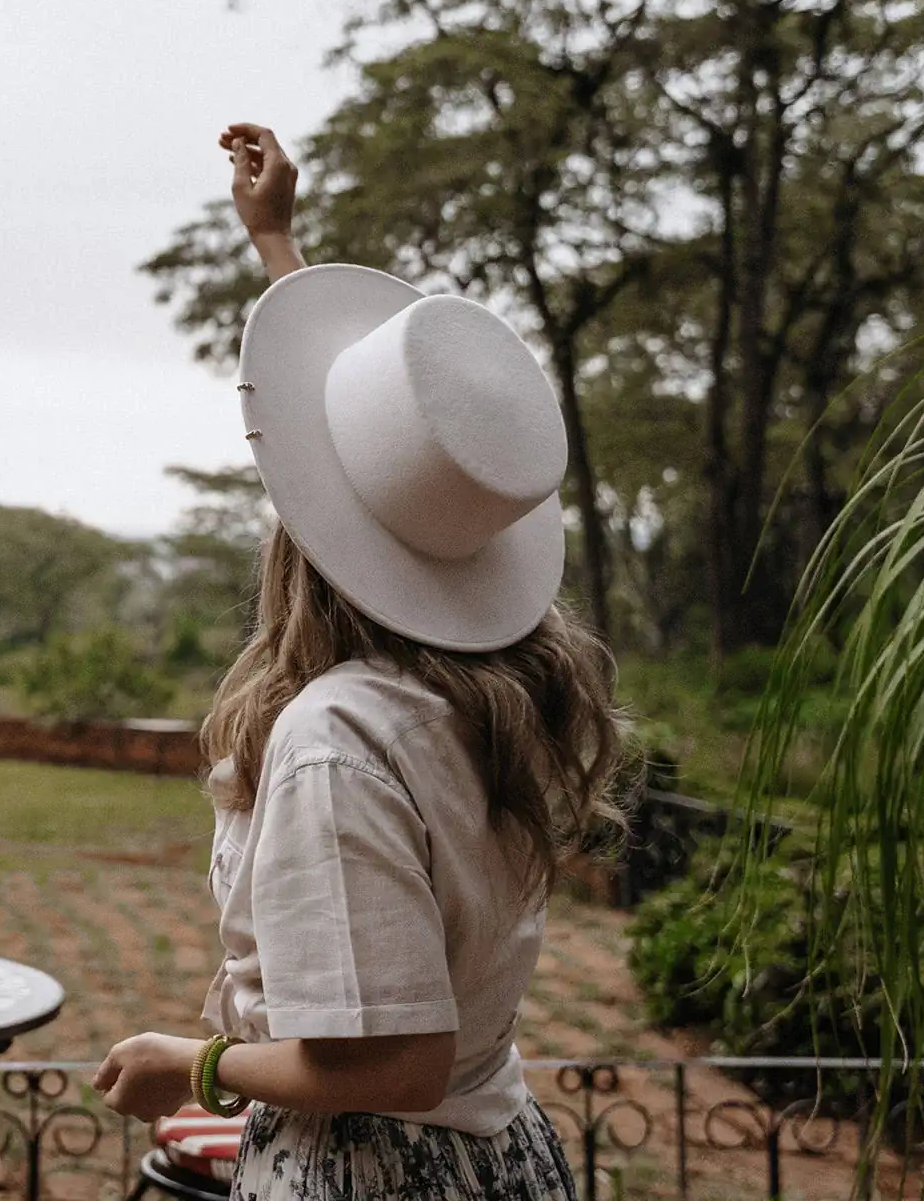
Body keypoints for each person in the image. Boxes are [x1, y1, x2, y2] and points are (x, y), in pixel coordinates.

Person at [91, 123, 621, 1199]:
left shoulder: (338, 739)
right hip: (503, 1151)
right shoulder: (489, 690)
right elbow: (401, 452)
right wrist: (278, 245)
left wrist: (190, 1065)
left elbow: (395, 1060)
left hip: (376, 1172)